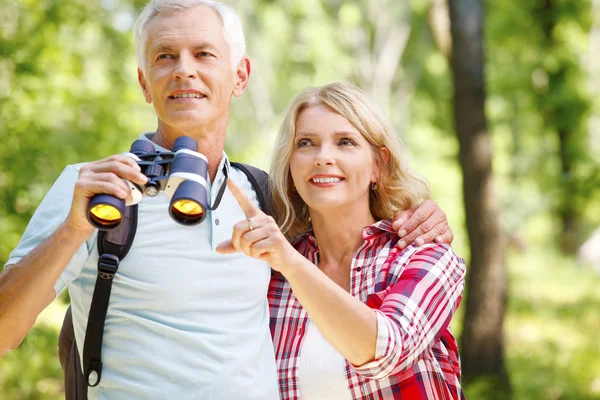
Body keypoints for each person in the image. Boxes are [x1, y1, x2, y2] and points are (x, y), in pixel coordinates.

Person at [0, 1, 453, 399]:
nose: (183, 70)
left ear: (240, 76)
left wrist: (421, 217)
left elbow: (350, 221)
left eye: (203, 54)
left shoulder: (267, 199)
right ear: (144, 82)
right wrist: (72, 231)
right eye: (164, 56)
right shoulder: (93, 190)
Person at [217, 82, 466, 399]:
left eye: (345, 142)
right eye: (306, 143)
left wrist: (290, 264)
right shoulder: (270, 277)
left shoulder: (424, 255)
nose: (323, 157)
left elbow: (388, 350)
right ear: (290, 164)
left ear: (379, 165)